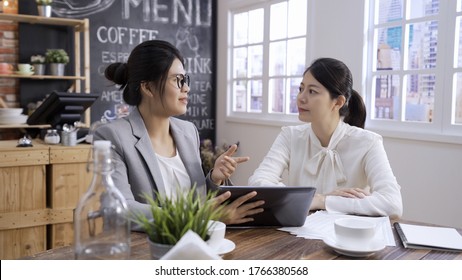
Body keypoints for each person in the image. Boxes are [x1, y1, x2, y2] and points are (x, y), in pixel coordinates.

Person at [94, 40, 264, 227]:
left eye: (185, 79)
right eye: (177, 80)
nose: (186, 88)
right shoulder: (111, 136)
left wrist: (215, 177)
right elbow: (120, 208)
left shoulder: (188, 131)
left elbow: (198, 200)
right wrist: (198, 215)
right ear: (148, 87)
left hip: (195, 241)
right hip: (146, 249)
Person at [248, 57, 403, 218]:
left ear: (338, 102)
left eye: (312, 91)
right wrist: (310, 199)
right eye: (301, 89)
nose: (301, 98)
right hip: (297, 235)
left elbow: (392, 204)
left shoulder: (368, 142)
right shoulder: (290, 136)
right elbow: (258, 182)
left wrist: (322, 201)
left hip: (347, 237)